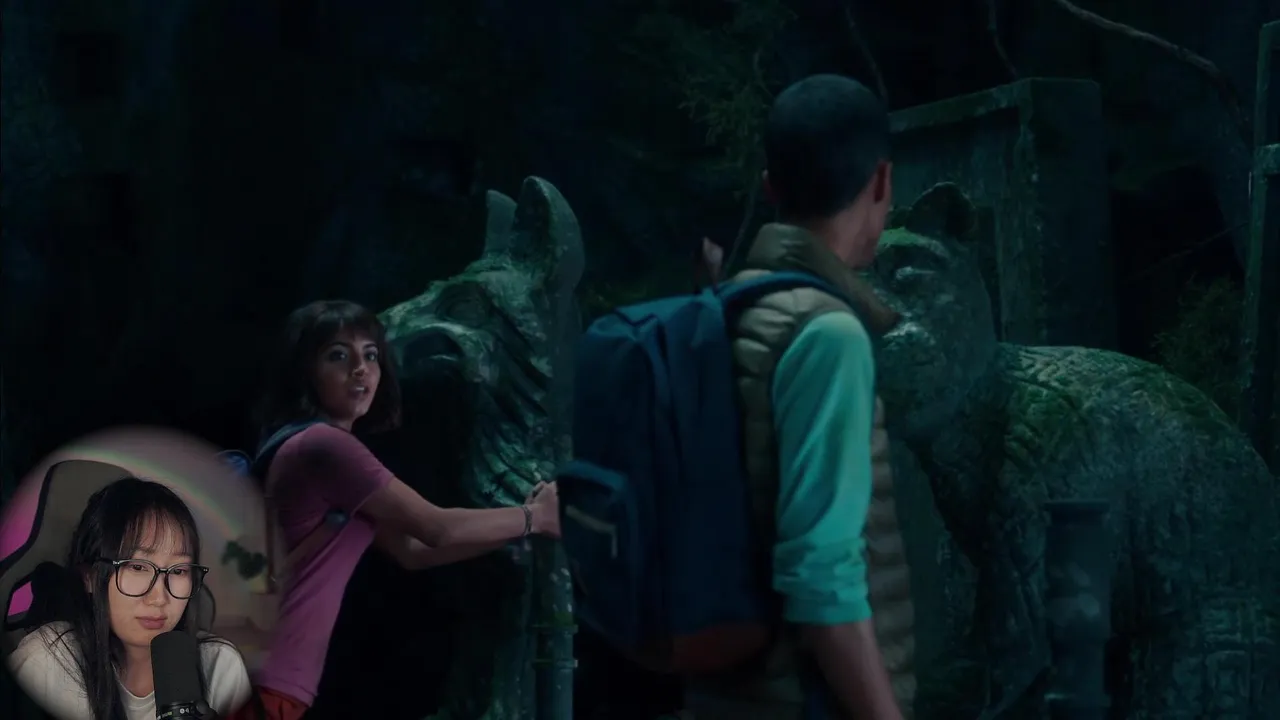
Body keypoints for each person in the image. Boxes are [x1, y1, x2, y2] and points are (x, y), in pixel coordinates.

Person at [689, 74, 914, 719]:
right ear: (881, 181)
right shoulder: (826, 334)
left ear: (770, 188)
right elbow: (821, 581)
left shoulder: (729, 309)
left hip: (726, 696)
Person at [231, 299, 561, 720]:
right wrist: (537, 517)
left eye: (371, 355)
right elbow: (435, 527)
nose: (361, 369)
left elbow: (413, 551)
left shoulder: (297, 443)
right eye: (338, 356)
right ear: (304, 371)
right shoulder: (325, 447)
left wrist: (522, 526)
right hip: (262, 684)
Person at [6, 478, 252, 720]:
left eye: (178, 571)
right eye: (137, 567)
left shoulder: (219, 665)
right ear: (90, 577)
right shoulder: (47, 663)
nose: (159, 598)